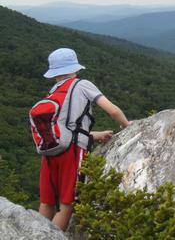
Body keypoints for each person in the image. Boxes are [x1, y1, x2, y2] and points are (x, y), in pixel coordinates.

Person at [38, 48, 132, 231]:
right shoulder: (82, 84)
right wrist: (127, 125)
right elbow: (112, 110)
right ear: (75, 68)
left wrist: (93, 135)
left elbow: (63, 128)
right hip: (72, 152)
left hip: (49, 150)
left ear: (53, 73)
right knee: (68, 202)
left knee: (47, 201)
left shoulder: (53, 91)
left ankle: (34, 233)